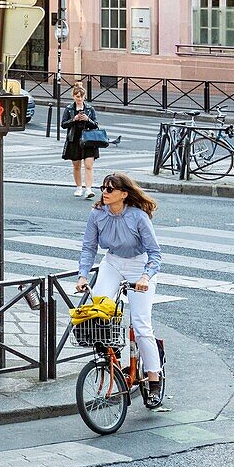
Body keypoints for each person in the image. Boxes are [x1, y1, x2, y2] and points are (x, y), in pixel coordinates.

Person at [75, 173, 164, 406]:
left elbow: (155, 253)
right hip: (112, 262)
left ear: (124, 194)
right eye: (103, 187)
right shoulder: (97, 214)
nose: (105, 192)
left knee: (142, 325)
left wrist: (145, 277)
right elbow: (88, 247)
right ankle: (110, 358)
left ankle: (154, 380)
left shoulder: (138, 217)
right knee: (99, 310)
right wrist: (83, 275)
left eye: (110, 189)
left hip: (139, 265)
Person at [62, 84, 101, 199]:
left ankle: (88, 189)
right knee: (76, 165)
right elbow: (63, 124)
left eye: (81, 96)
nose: (79, 98)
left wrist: (87, 119)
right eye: (77, 96)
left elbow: (96, 125)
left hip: (88, 140)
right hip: (74, 139)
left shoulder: (90, 109)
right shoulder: (69, 109)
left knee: (89, 165)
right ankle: (79, 187)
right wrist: (73, 119)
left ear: (84, 97)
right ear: (73, 97)